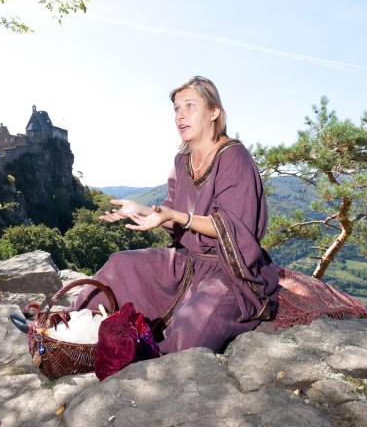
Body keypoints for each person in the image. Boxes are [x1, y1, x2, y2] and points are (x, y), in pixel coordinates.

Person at [71, 76, 280, 354]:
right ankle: (68, 324)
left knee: (193, 328)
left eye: (190, 106)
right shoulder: (181, 161)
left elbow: (231, 225)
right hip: (187, 263)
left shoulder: (234, 156)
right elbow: (170, 211)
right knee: (119, 265)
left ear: (214, 112)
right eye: (176, 109)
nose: (180, 116)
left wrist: (179, 216)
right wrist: (142, 210)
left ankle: (150, 361)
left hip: (229, 270)